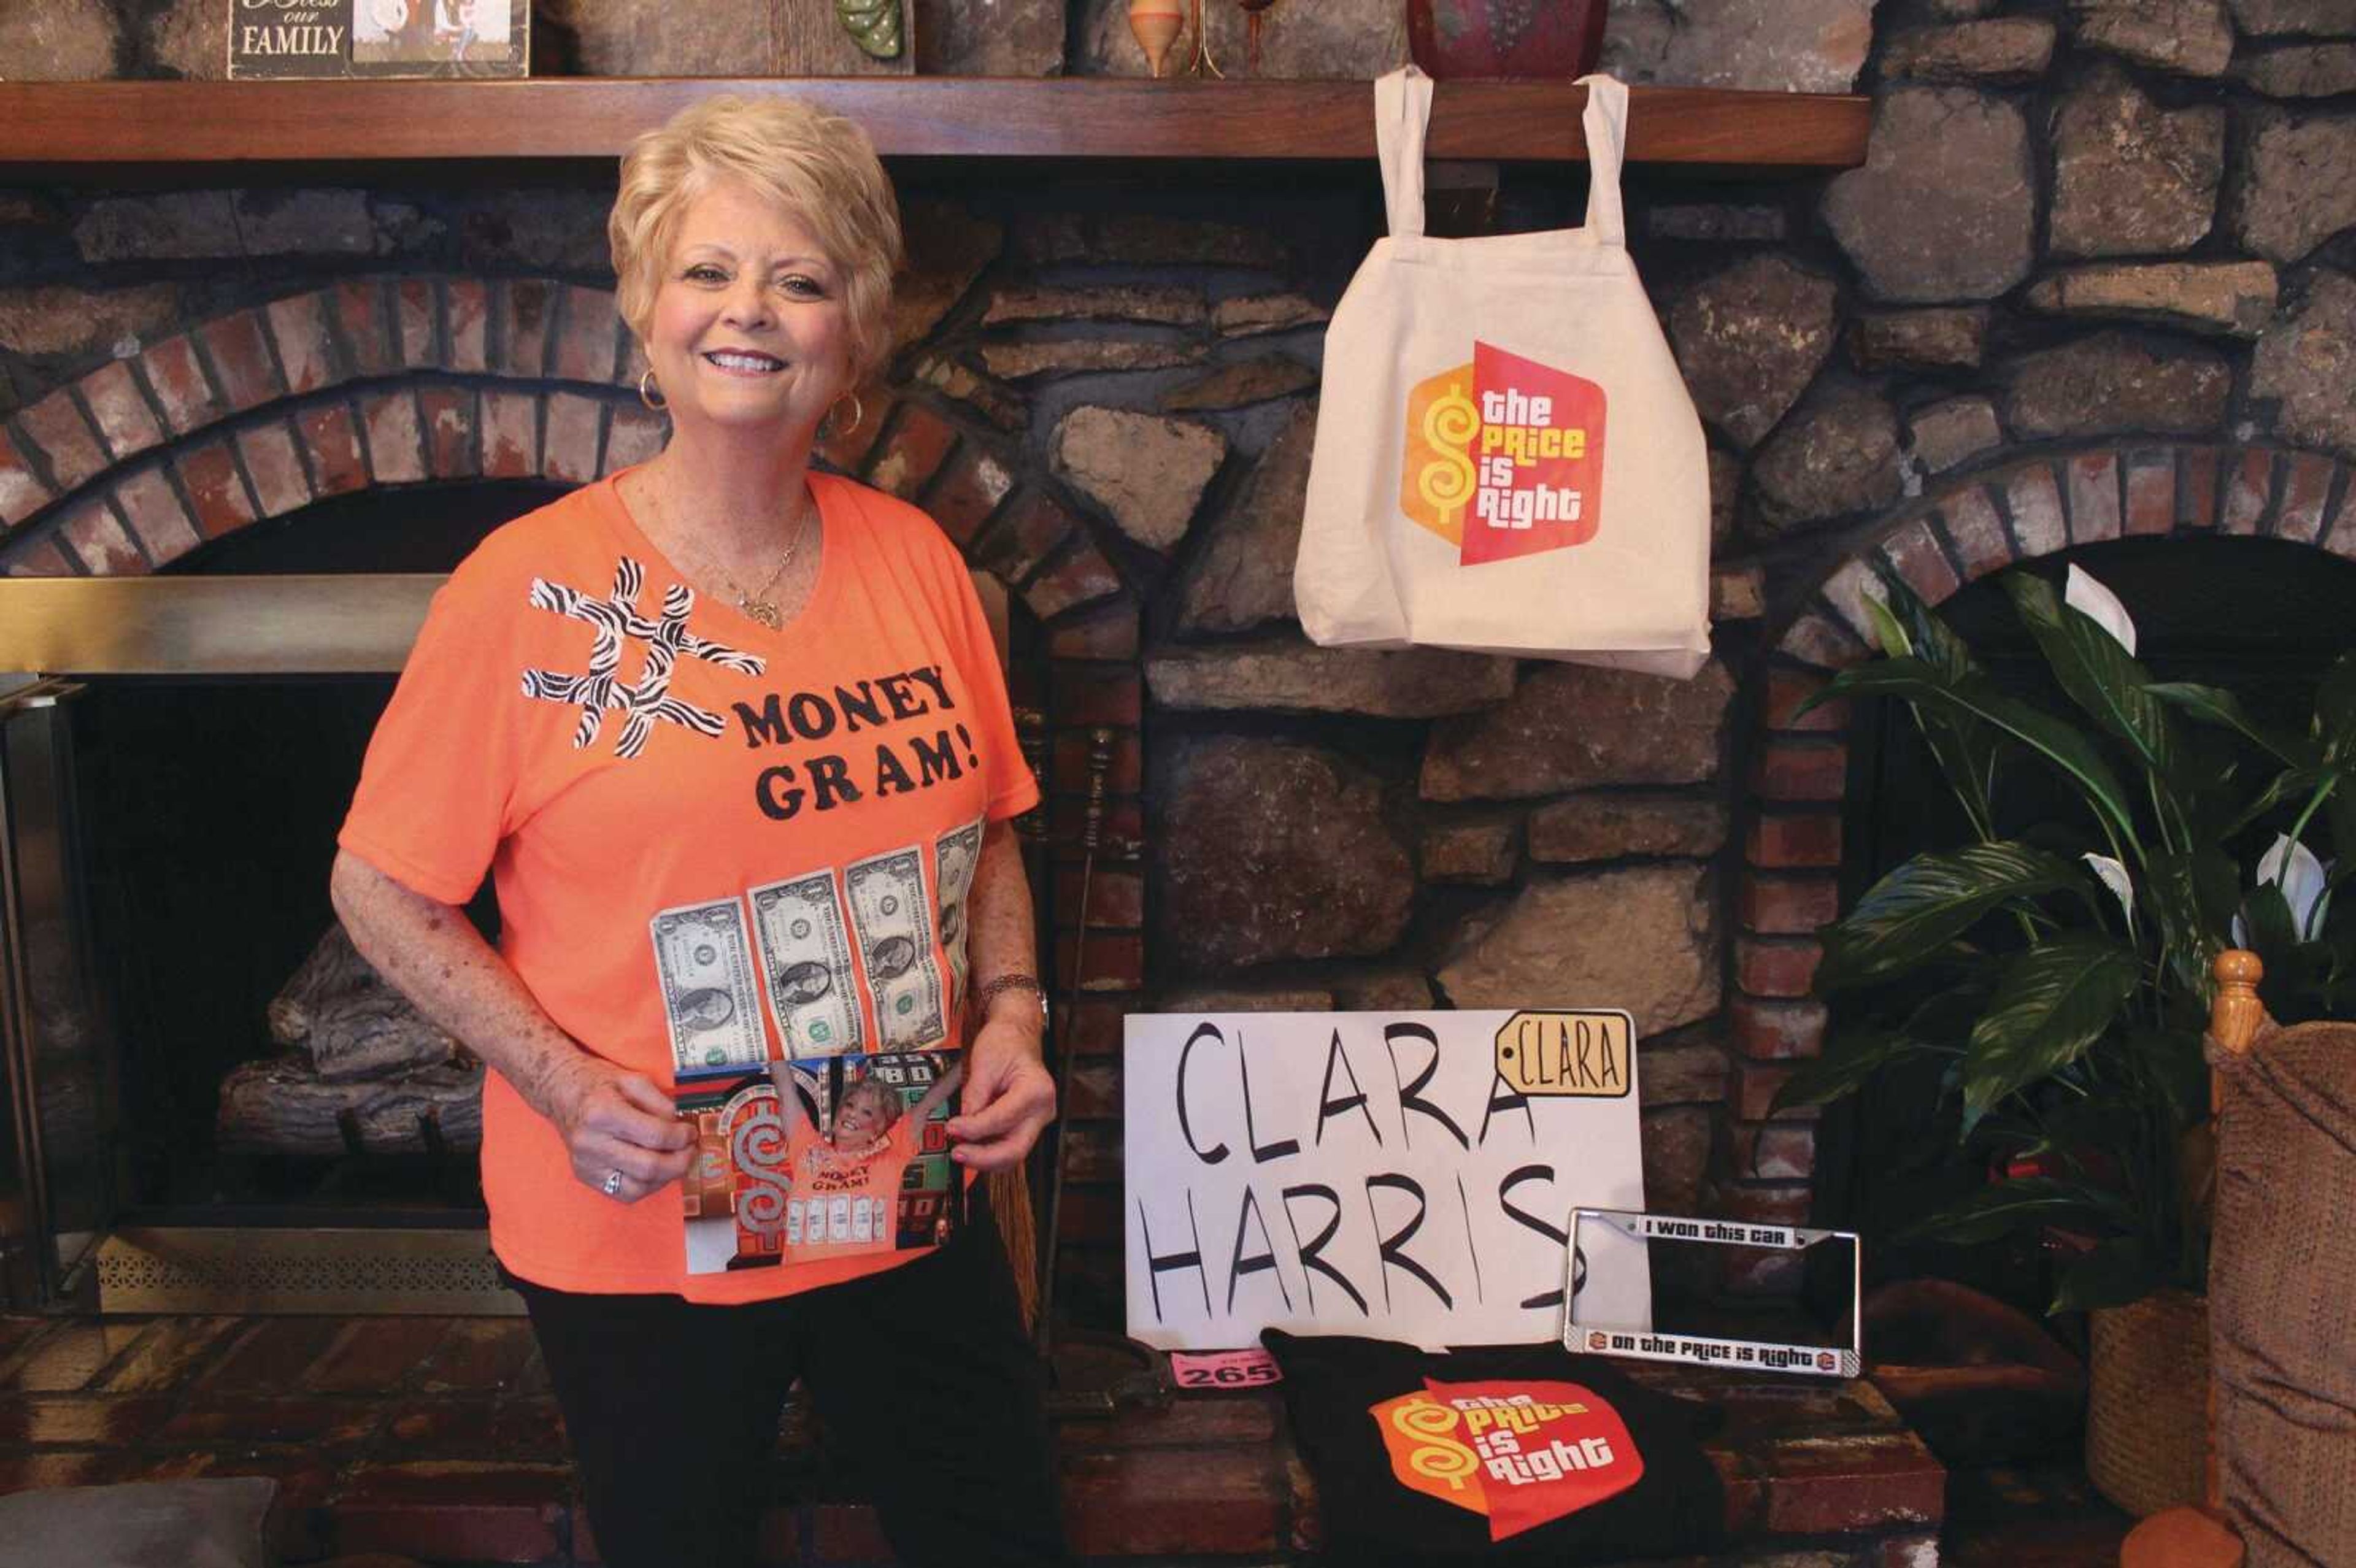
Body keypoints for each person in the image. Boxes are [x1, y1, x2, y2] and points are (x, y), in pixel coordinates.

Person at [329, 93, 1067, 1568]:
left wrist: (1018, 1014)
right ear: (646, 312)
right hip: (642, 1223)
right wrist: (552, 1078)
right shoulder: (526, 592)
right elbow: (380, 887)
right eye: (709, 272)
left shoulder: (919, 563)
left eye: (799, 280)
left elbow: (988, 828)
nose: (752, 312)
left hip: (900, 1186)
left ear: (853, 330)